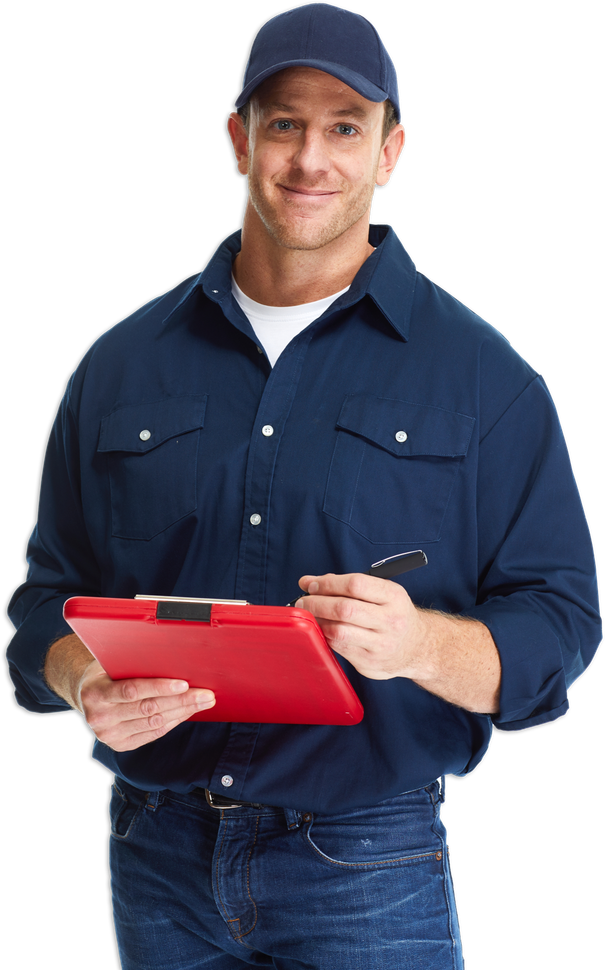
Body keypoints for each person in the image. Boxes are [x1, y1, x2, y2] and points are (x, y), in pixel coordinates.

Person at [7, 4, 601, 968]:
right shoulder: (117, 367)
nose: (309, 159)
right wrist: (83, 683)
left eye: (342, 128)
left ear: (388, 152)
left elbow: (561, 628)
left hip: (364, 859)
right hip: (151, 854)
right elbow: (46, 598)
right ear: (239, 141)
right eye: (283, 123)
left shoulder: (485, 378)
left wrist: (418, 645)